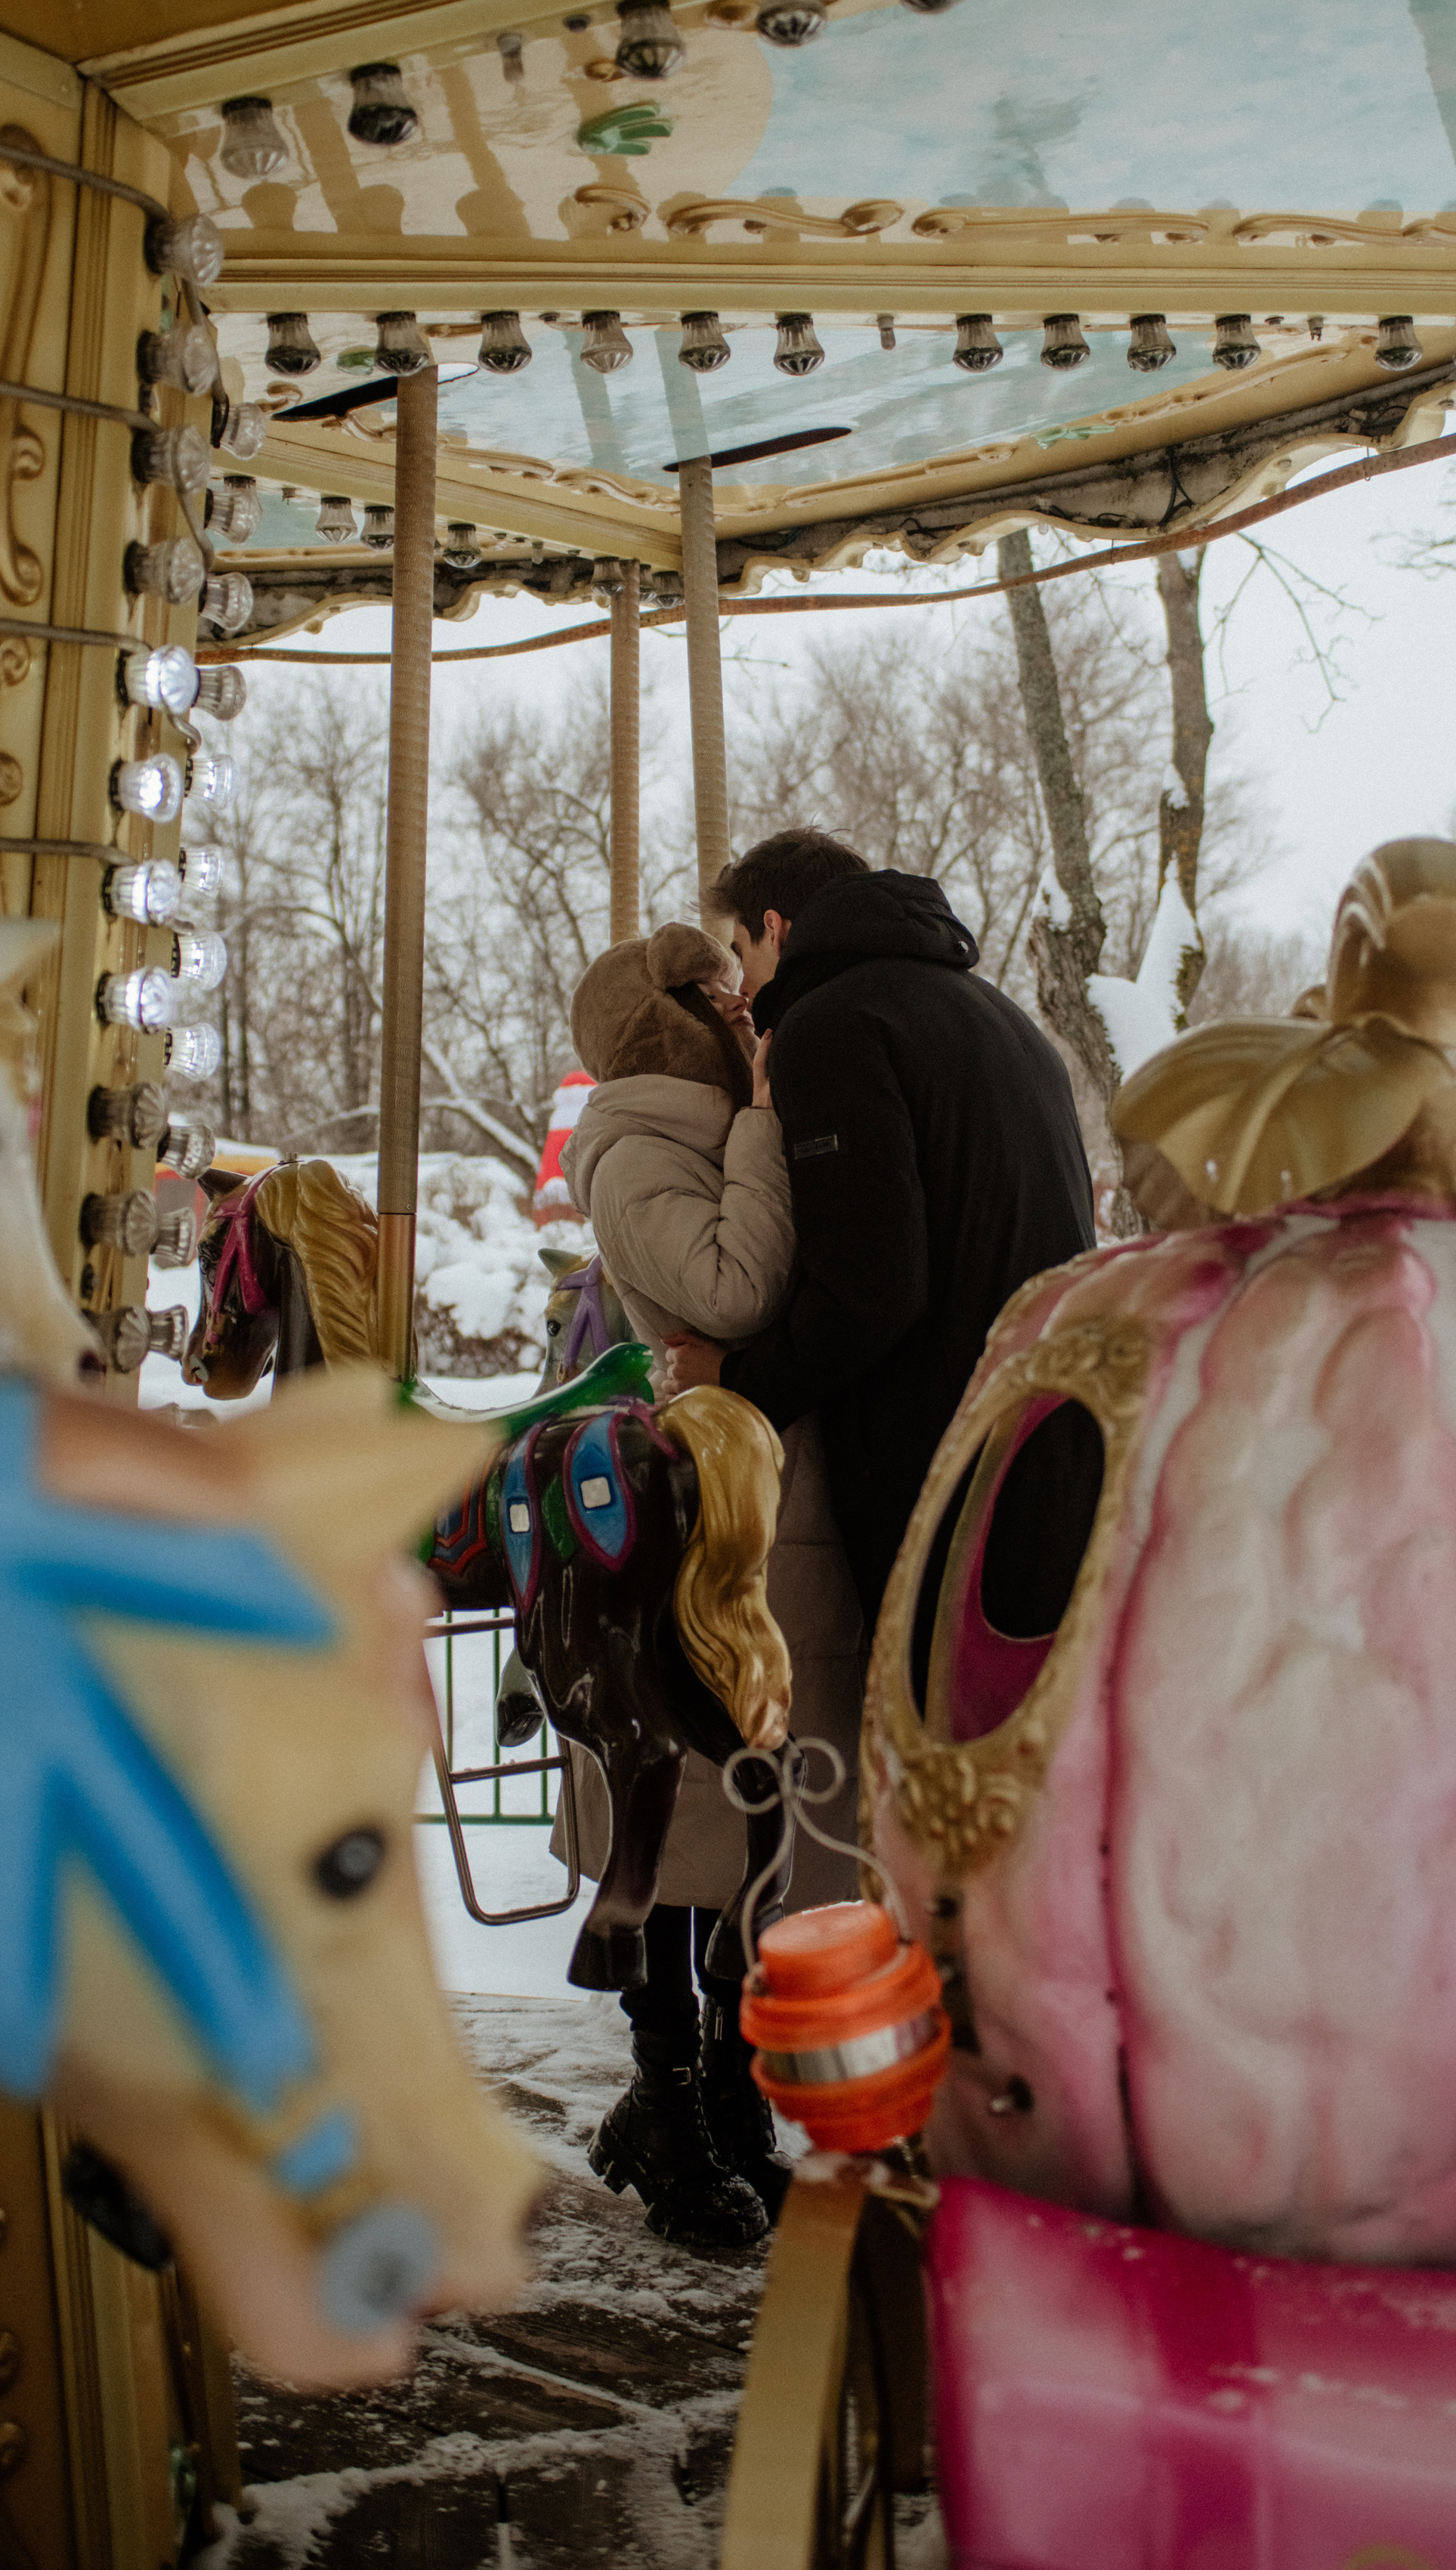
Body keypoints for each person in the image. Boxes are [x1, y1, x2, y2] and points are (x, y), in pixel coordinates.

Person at [558, 920, 866, 2253]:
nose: (742, 1009)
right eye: (717, 994)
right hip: (672, 1538)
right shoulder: (639, 1153)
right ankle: (669, 2099)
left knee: (740, 1818)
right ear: (668, 1020)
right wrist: (761, 1119)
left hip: (736, 1510)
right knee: (679, 1826)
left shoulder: (698, 1136)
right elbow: (735, 1284)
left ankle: (719, 2092)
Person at [668, 830, 1099, 1632]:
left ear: (775, 927)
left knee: (939, 1739)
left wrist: (737, 1378)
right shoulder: (997, 1015)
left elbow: (870, 1285)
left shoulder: (832, 1027)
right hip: (1056, 1445)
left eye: (741, 951)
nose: (745, 986)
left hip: (950, 1477)